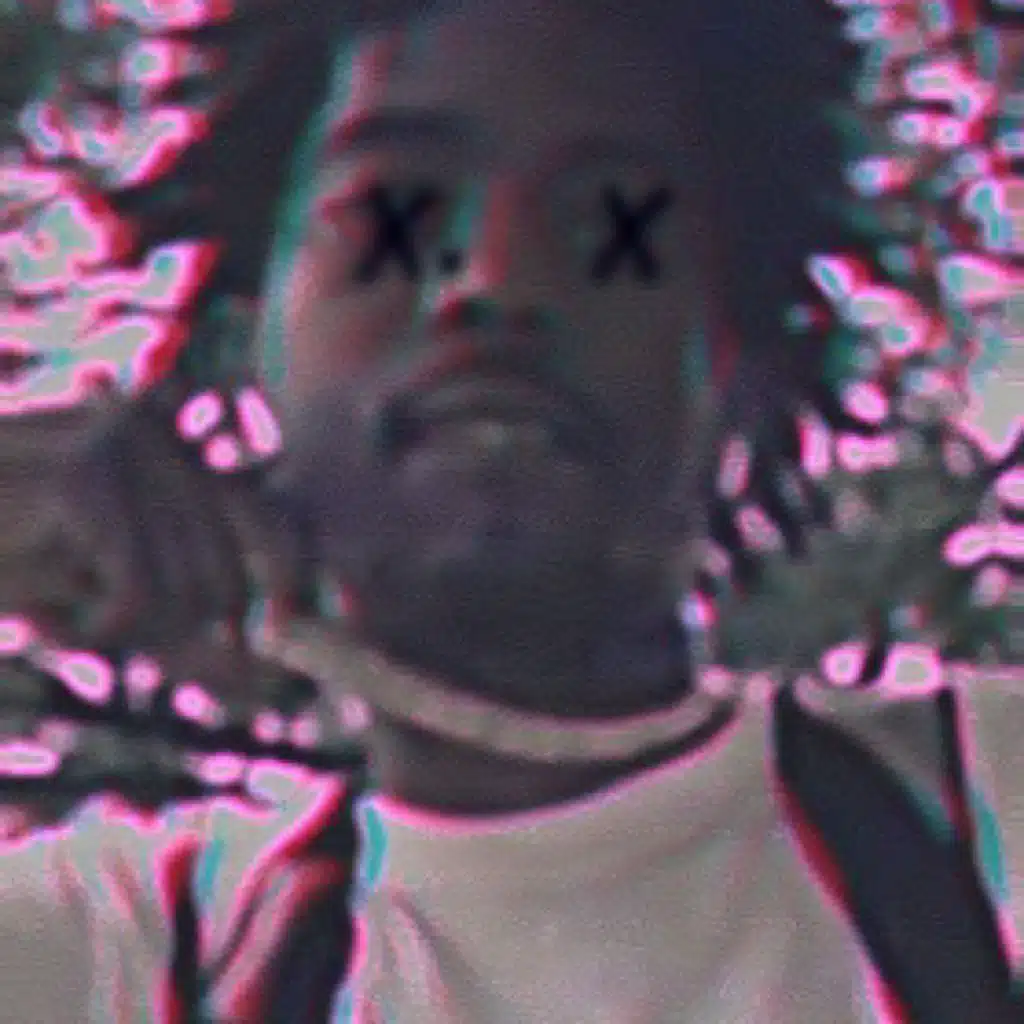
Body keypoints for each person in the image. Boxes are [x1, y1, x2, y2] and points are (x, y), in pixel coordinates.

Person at [1, 0, 1020, 1021]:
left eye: (616, 228)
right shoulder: (130, 957)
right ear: (243, 351)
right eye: (391, 216)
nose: (495, 283)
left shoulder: (985, 820)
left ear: (741, 382)